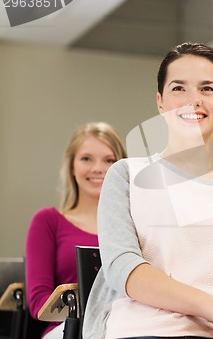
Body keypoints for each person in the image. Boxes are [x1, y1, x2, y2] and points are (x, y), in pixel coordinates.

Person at [83, 42, 213, 339]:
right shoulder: (126, 175)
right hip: (143, 331)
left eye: (207, 89)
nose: (192, 100)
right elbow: (124, 268)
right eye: (178, 88)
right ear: (160, 101)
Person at [25, 122, 127, 339]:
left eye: (109, 160)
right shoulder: (47, 221)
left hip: (124, 326)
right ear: (72, 166)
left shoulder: (135, 224)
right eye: (86, 159)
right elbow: (38, 304)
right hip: (68, 330)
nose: (98, 168)